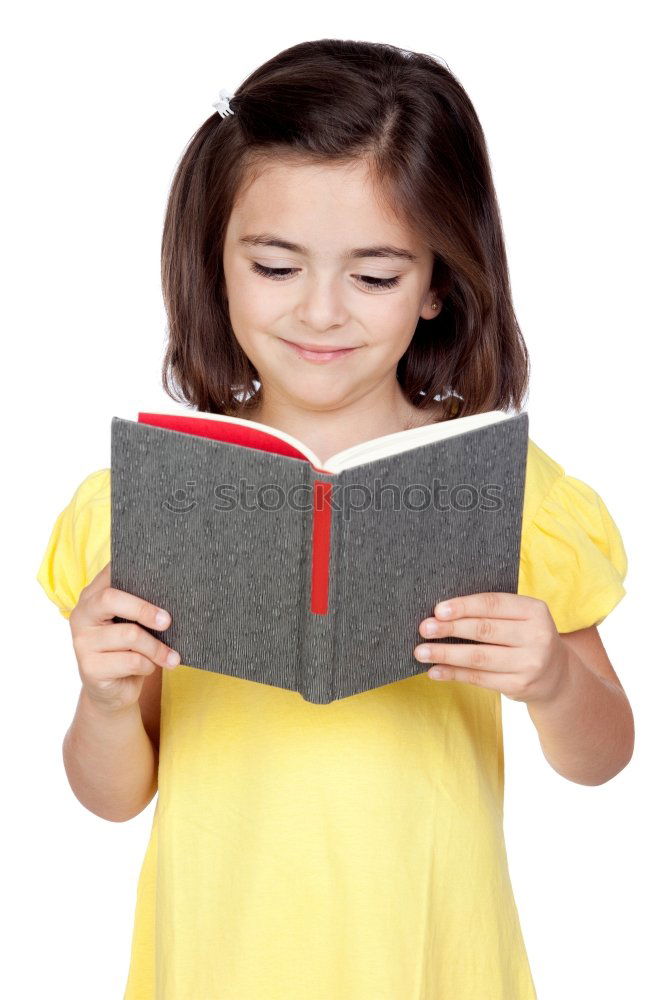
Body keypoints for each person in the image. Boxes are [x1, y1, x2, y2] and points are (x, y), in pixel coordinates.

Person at [36, 39, 633, 999]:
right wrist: (104, 699)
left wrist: (554, 678)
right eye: (275, 265)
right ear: (215, 262)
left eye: (376, 276)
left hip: (433, 960)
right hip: (218, 965)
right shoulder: (147, 497)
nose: (321, 313)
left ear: (440, 281)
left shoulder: (505, 490)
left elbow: (604, 755)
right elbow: (112, 798)